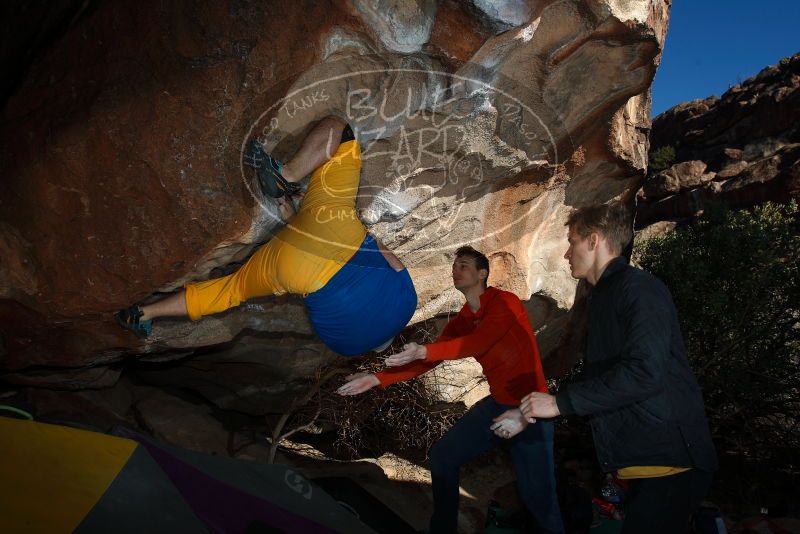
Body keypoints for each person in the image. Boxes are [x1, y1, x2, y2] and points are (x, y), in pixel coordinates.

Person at [115, 116, 417, 356]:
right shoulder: (348, 346)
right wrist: (296, 233)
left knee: (341, 132)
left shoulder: (407, 303)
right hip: (297, 272)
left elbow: (380, 248)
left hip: (337, 233)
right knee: (231, 290)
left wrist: (308, 223)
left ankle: (286, 175)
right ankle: (143, 313)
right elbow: (317, 308)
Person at [513, 202, 717, 533]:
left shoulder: (638, 289)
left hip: (670, 464)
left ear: (593, 240)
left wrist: (558, 403)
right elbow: (605, 380)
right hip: (643, 466)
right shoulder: (606, 296)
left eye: (572, 240)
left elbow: (643, 372)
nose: (567, 253)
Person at [338, 246, 564, 534]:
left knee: (539, 498)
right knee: (444, 457)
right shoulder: (463, 320)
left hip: (532, 409)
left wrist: (423, 350)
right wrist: (376, 379)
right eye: (454, 266)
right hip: (498, 405)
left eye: (464, 266)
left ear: (482, 274)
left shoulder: (505, 303)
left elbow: (478, 343)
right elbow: (430, 360)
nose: (456, 271)